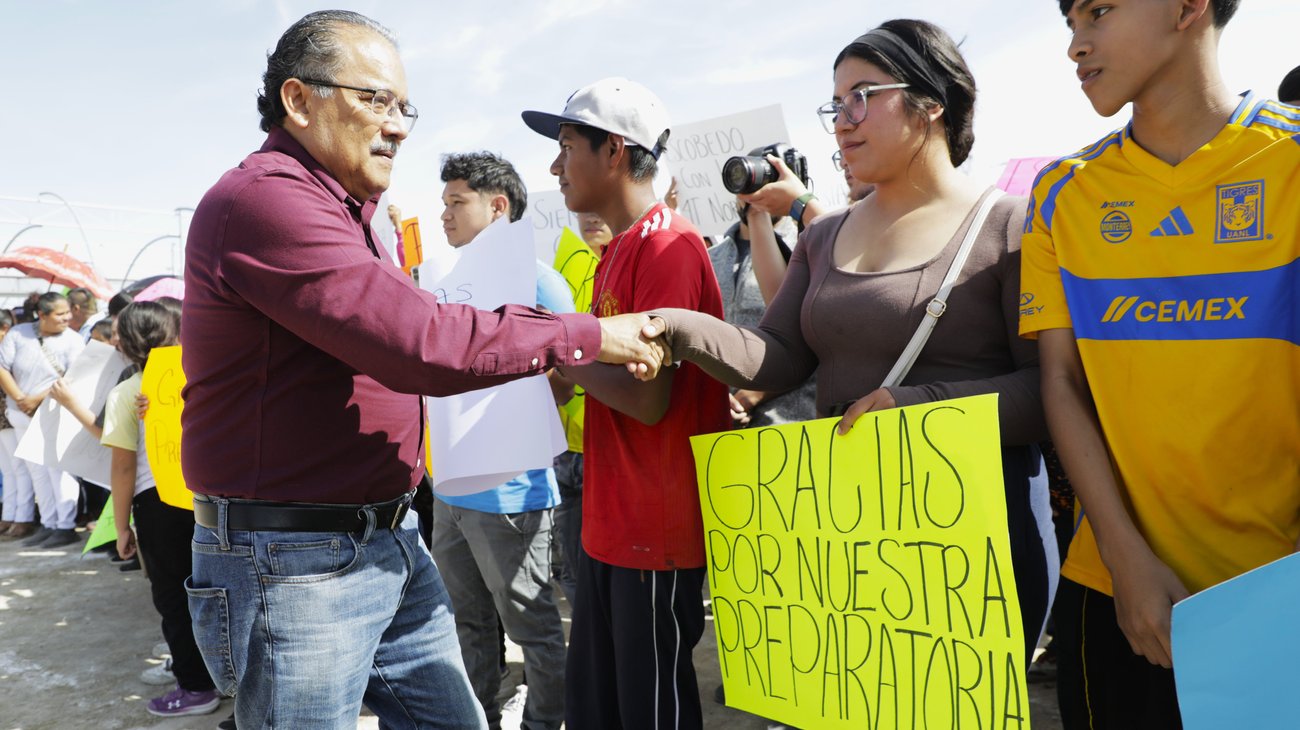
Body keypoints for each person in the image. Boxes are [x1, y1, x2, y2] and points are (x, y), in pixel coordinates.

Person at [181, 12, 665, 729]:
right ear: (298, 99)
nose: (397, 126)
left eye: (403, 106)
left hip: (381, 538)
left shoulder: (349, 212)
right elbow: (417, 341)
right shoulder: (267, 201)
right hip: (295, 560)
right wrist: (593, 334)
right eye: (375, 99)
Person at [644, 19, 1054, 663]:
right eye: (835, 104)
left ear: (931, 102)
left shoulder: (1011, 226)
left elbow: (1047, 391)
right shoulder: (822, 237)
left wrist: (914, 407)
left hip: (975, 538)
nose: (841, 121)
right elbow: (776, 357)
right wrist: (673, 326)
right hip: (855, 536)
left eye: (861, 97)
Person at [1021, 1, 1299, 727]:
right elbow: (1061, 382)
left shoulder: (1291, 161)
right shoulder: (1061, 193)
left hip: (1276, 592)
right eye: (1070, 23)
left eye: (1099, 12)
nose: (1076, 45)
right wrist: (1125, 557)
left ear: (1187, 7)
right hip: (1111, 591)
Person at [522, 77, 730, 729]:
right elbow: (593, 370)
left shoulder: (668, 245)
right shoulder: (616, 250)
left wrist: (563, 348)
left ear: (613, 150)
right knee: (600, 708)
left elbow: (648, 398)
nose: (555, 167)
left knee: (652, 710)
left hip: (654, 532)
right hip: (610, 525)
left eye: (566, 146)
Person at [434, 150, 570, 730]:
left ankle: (543, 722)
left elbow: (568, 381)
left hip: (511, 494)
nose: (444, 214)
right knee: (466, 624)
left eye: (456, 202)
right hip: (450, 490)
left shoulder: (539, 283)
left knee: (531, 628)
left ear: (497, 206)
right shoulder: (445, 283)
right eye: (443, 202)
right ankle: (479, 718)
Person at [50, 301, 222, 718]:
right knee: (216, 593)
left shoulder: (129, 392)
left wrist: (122, 525)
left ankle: (196, 687)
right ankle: (221, 677)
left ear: (126, 345)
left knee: (174, 596)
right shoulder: (203, 378)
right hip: (209, 500)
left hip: (158, 506)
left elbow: (123, 467)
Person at [708, 192, 816, 427]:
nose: (757, 193)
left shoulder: (808, 245)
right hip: (720, 425)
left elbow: (815, 342)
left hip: (788, 424)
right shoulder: (710, 257)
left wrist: (754, 395)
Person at [0, 292, 85, 548]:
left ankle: (65, 526)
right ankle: (49, 523)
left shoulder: (74, 340)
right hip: (20, 413)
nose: (67, 317)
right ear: (42, 315)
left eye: (68, 312)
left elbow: (74, 377)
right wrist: (20, 398)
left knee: (59, 471)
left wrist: (35, 399)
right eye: (60, 314)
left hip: (54, 413)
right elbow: (2, 367)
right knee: (37, 471)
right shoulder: (18, 333)